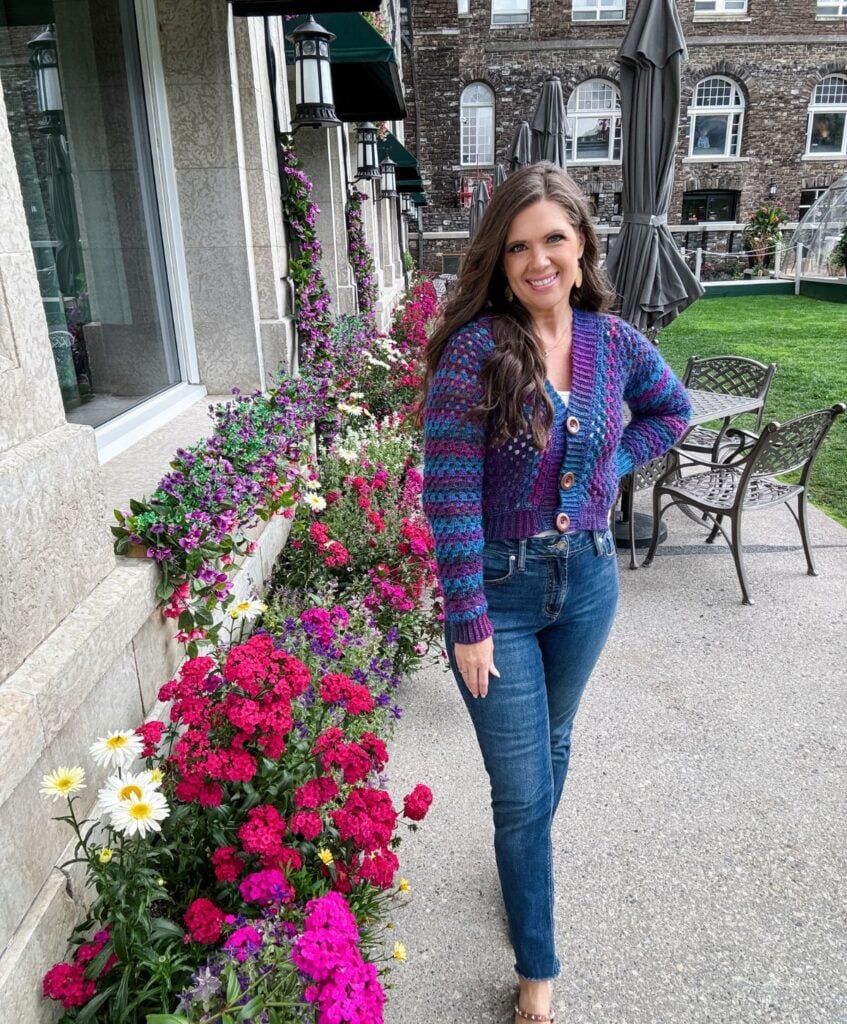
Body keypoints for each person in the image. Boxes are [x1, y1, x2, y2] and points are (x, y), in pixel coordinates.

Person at [420, 163, 691, 1024]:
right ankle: (536, 963)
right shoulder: (476, 350)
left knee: (555, 740)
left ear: (581, 245)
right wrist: (464, 615)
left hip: (587, 586)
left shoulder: (612, 343)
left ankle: (519, 861)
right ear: (498, 261)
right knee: (521, 789)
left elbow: (670, 410)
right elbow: (450, 489)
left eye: (553, 240)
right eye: (517, 246)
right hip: (496, 592)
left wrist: (607, 465)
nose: (537, 260)